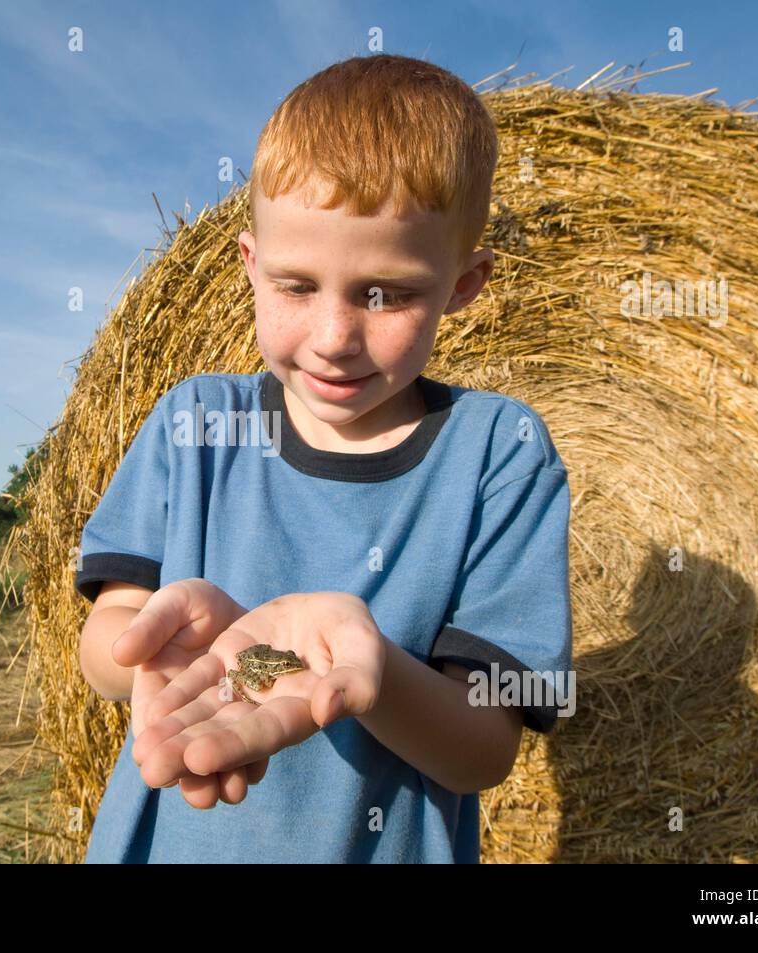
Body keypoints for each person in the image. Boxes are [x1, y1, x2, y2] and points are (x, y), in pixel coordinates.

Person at [74, 53, 573, 863]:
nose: (335, 336)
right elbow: (104, 638)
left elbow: (486, 746)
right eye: (296, 285)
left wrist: (371, 668)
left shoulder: (498, 455)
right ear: (249, 267)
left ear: (465, 283)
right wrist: (166, 653)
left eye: (389, 294)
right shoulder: (195, 422)